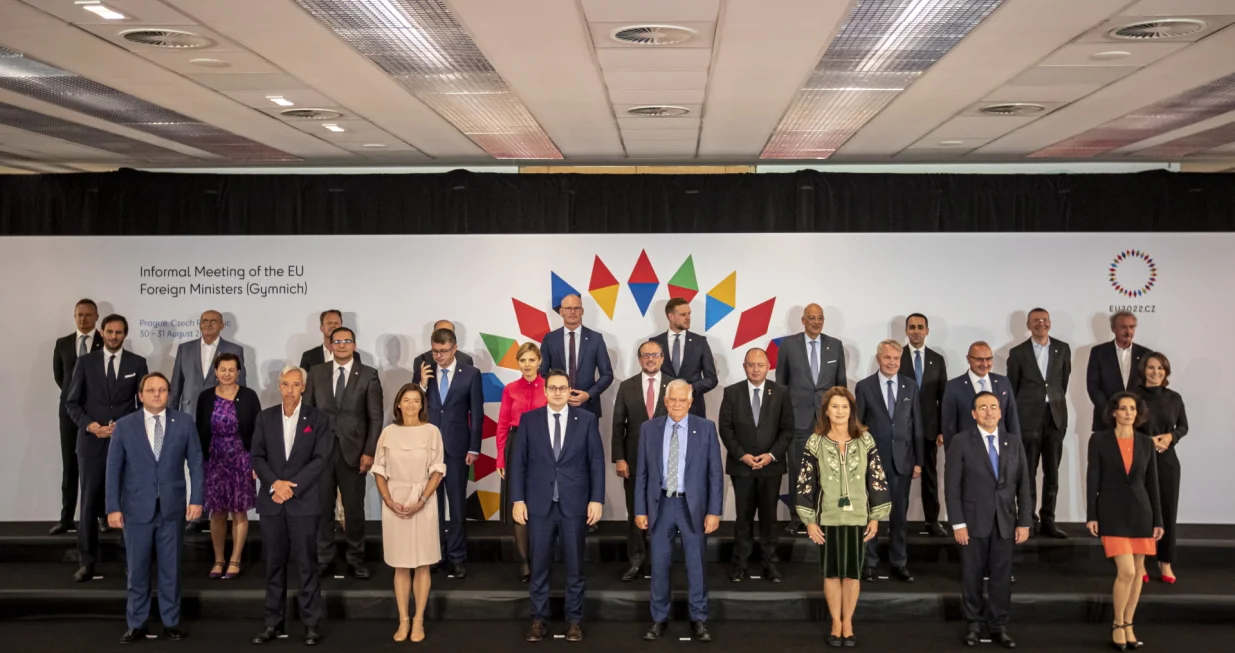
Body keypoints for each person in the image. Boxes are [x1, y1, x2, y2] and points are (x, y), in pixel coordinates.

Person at [105, 372, 203, 643]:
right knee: (137, 570)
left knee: (171, 568)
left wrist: (197, 499)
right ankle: (136, 623)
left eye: (162, 390)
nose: (157, 394)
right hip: (136, 509)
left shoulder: (183, 422)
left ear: (169, 393)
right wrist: (112, 507)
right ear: (141, 395)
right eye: (151, 390)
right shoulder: (125, 425)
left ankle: (171, 621)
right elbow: (113, 470)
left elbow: (196, 462)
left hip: (172, 509)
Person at [510, 369, 605, 642]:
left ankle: (574, 621)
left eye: (563, 388)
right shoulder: (529, 420)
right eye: (552, 387)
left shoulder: (586, 420)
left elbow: (596, 463)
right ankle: (538, 620)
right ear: (545, 390)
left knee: (575, 567)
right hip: (538, 506)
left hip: (574, 506)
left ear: (569, 390)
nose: (557, 392)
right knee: (539, 566)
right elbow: (518, 463)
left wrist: (596, 499)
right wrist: (517, 500)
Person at [796, 386, 891, 646]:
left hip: (858, 518)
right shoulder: (815, 441)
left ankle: (848, 621)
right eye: (835, 406)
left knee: (852, 574)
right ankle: (834, 622)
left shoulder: (865, 439)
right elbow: (806, 483)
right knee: (831, 573)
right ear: (826, 410)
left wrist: (875, 516)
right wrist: (810, 520)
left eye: (845, 407)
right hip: (828, 518)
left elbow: (877, 478)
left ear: (852, 411)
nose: (840, 411)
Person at [250, 366, 332, 647]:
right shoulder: (265, 417)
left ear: (303, 387)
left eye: (295, 385)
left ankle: (311, 624)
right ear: (279, 385)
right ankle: (273, 623)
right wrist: (276, 485)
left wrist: (289, 487)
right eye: (285, 384)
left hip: (303, 502)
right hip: (272, 503)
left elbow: (320, 459)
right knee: (274, 566)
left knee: (307, 565)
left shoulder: (317, 418)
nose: (290, 390)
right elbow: (257, 456)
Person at [635, 380, 723, 643]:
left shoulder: (706, 428)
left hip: (692, 507)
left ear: (690, 401)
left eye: (682, 400)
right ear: (665, 401)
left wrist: (714, 511)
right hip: (661, 505)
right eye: (672, 400)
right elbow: (642, 473)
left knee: (696, 566)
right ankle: (659, 618)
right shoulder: (648, 429)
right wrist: (640, 509)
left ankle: (699, 619)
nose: (676, 405)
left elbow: (715, 474)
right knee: (659, 566)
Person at [65, 313, 148, 582]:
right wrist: (91, 426)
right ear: (101, 332)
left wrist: (124, 428)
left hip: (126, 445)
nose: (114, 336)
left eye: (119, 332)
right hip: (92, 444)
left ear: (125, 334)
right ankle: (87, 561)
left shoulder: (138, 363)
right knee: (89, 504)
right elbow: (72, 403)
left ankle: (131, 562)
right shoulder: (85, 362)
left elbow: (145, 405)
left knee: (128, 504)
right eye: (110, 332)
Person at [946, 391, 1032, 649]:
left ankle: (998, 625)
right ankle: (973, 625)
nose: (989, 411)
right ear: (974, 414)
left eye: (993, 406)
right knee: (971, 575)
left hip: (1006, 521)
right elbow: (952, 487)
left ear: (1001, 411)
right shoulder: (961, 442)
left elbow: (1024, 485)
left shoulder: (1013, 442)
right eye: (982, 407)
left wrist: (1024, 521)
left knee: (1002, 577)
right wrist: (958, 523)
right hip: (972, 523)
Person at [1086, 392, 1163, 650]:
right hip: (1112, 511)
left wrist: (1159, 520)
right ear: (1114, 412)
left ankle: (1129, 623)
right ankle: (1118, 623)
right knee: (1127, 571)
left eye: (1132, 408)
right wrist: (1091, 515)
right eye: (1123, 408)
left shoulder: (1146, 443)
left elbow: (1153, 484)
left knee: (1139, 572)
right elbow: (1092, 479)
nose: (1128, 412)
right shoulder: (1099, 440)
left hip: (1142, 512)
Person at [304, 326, 382, 579]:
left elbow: (375, 417)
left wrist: (369, 451)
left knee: (354, 510)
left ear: (354, 345)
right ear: (330, 345)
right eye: (336, 341)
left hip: (355, 453)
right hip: (321, 453)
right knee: (323, 508)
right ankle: (324, 558)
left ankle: (355, 558)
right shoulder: (316, 373)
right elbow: (307, 414)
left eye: (346, 341)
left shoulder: (368, 374)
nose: (341, 345)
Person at [372, 384, 446, 643]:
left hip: (423, 501)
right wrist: (389, 501)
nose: (411, 405)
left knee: (422, 563)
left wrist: (422, 499)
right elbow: (378, 471)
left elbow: (437, 470)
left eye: (416, 400)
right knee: (401, 564)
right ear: (398, 404)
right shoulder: (388, 433)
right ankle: (403, 619)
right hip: (394, 501)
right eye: (407, 400)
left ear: (422, 405)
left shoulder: (432, 431)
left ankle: (419, 620)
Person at [718, 347, 793, 583]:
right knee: (743, 518)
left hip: (771, 467)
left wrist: (771, 455)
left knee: (770, 519)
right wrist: (742, 455)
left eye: (760, 365)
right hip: (742, 467)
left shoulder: (781, 392)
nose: (756, 369)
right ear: (744, 366)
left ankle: (770, 564)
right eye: (751, 364)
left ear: (768, 366)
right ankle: (740, 564)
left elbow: (787, 429)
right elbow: (725, 428)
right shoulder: (732, 392)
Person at [775, 303, 847, 535]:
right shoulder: (788, 346)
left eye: (820, 318)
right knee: (798, 469)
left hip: (828, 421)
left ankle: (824, 514)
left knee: (828, 469)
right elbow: (781, 385)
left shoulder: (835, 346)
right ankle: (798, 516)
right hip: (797, 419)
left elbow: (840, 385)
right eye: (811, 318)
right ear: (803, 321)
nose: (816, 322)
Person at [854, 339, 922, 583]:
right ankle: (869, 563)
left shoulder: (910, 386)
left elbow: (917, 426)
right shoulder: (864, 387)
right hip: (872, 462)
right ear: (878, 358)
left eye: (896, 358)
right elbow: (858, 427)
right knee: (870, 515)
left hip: (902, 461)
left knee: (899, 518)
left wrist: (918, 461)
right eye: (887, 358)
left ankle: (898, 563)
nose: (892, 363)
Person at [423, 327, 484, 578]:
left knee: (457, 506)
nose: (439, 356)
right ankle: (435, 554)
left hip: (458, 449)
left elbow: (477, 413)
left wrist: (474, 447)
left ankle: (457, 556)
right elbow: (413, 405)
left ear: (455, 348)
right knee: (431, 507)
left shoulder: (470, 373)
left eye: (444, 351)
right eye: (435, 351)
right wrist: (420, 384)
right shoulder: (425, 372)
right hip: (428, 450)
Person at [1006, 308, 1072, 539]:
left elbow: (1062, 383)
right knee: (1028, 472)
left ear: (1050, 323)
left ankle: (1048, 519)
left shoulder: (1062, 349)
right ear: (1028, 324)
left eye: (1044, 320)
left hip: (1054, 418)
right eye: (1035, 321)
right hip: (1027, 420)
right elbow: (1012, 390)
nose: (1040, 324)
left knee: (1052, 472)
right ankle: (1028, 519)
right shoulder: (1017, 353)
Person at [195, 352, 260, 579]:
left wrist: (257, 462)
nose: (227, 374)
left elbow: (258, 431)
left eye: (232, 369)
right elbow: (199, 431)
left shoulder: (249, 396)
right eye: (222, 369)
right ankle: (219, 559)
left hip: (242, 459)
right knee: (218, 511)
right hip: (214, 460)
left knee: (239, 511)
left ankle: (235, 559)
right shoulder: (205, 397)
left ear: (239, 372)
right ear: (215, 371)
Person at [611, 340, 671, 581]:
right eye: (645, 355)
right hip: (634, 462)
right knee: (636, 512)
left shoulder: (674, 387)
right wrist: (619, 458)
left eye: (654, 355)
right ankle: (636, 561)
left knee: (663, 514)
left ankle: (659, 562)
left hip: (667, 462)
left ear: (662, 358)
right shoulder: (627, 386)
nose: (650, 359)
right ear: (639, 359)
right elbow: (618, 426)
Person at [50, 298, 102, 535]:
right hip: (69, 412)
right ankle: (66, 517)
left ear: (97, 317)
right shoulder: (62, 343)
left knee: (98, 466)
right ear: (74, 317)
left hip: (98, 413)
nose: (84, 319)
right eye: (79, 315)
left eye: (88, 315)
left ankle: (101, 516)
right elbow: (60, 378)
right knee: (69, 465)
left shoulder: (106, 341)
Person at [495, 342, 546, 582]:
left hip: (543, 446)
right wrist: (500, 457)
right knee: (519, 503)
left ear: (539, 362)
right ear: (518, 363)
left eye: (531, 360)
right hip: (515, 446)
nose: (527, 364)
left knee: (540, 505)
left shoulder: (549, 387)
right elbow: (502, 425)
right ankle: (524, 563)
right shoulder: (510, 389)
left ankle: (539, 560)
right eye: (523, 360)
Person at [1137, 353, 1188, 583]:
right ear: (1143, 370)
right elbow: (1122, 426)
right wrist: (1148, 441)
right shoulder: (1133, 396)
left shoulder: (1174, 398)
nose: (1155, 372)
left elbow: (1183, 426)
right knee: (1142, 512)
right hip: (1141, 460)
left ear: (1166, 371)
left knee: (1168, 510)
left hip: (1168, 461)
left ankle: (1165, 562)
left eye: (1160, 368)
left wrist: (1170, 436)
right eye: (1151, 367)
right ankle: (1140, 562)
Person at [900, 313, 948, 537]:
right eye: (912, 327)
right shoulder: (896, 356)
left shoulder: (937, 359)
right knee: (900, 478)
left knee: (930, 477)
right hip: (902, 429)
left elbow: (943, 397)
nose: (916, 331)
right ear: (906, 331)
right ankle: (897, 520)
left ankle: (932, 521)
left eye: (920, 327)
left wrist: (942, 429)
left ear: (927, 330)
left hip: (929, 429)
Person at [538, 293, 614, 418]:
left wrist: (588, 395)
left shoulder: (596, 339)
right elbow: (543, 373)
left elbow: (607, 375)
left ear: (582, 311)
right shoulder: (550, 339)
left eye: (576, 308)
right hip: (557, 407)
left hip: (588, 407)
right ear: (561, 312)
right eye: (568, 308)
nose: (572, 312)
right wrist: (558, 394)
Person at [941, 341, 1020, 448]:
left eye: (988, 359)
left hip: (1001, 449)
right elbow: (949, 427)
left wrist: (1016, 450)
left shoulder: (1003, 382)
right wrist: (952, 458)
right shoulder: (954, 387)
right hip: (968, 450)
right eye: (979, 359)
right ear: (968, 359)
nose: (985, 364)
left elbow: (1012, 420)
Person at [170, 310, 246, 418]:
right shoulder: (185, 349)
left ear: (222, 325)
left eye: (213, 321)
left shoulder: (234, 350)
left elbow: (240, 385)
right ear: (200, 325)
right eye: (205, 321)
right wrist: (171, 415)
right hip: (189, 412)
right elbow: (176, 386)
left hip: (221, 414)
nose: (208, 324)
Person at [649, 298, 717, 416]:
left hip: (693, 409)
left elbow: (711, 379)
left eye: (689, 314)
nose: (688, 318)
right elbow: (650, 376)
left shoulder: (700, 342)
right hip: (662, 409)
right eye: (683, 314)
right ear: (671, 316)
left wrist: (691, 388)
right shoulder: (654, 343)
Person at [1086, 311, 1150, 431]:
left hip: (1137, 421)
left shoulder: (1145, 354)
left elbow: (1149, 387)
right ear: (1113, 328)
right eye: (1123, 327)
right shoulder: (1098, 352)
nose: (1128, 331)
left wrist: (1137, 411)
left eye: (1131, 327)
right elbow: (1093, 386)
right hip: (1106, 420)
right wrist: (1110, 411)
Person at [411, 320, 474, 384]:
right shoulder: (421, 360)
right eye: (440, 333)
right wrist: (422, 385)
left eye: (448, 333)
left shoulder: (465, 360)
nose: (443, 336)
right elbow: (415, 390)